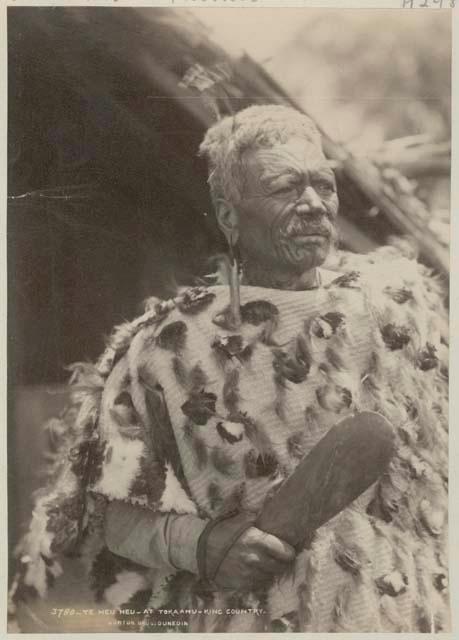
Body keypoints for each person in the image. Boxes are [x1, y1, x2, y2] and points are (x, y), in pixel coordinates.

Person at [10, 105, 449, 633]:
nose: (314, 204)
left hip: (389, 614)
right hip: (232, 618)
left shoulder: (398, 317)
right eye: (286, 187)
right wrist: (201, 544)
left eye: (323, 185)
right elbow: (112, 513)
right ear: (228, 214)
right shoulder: (166, 347)